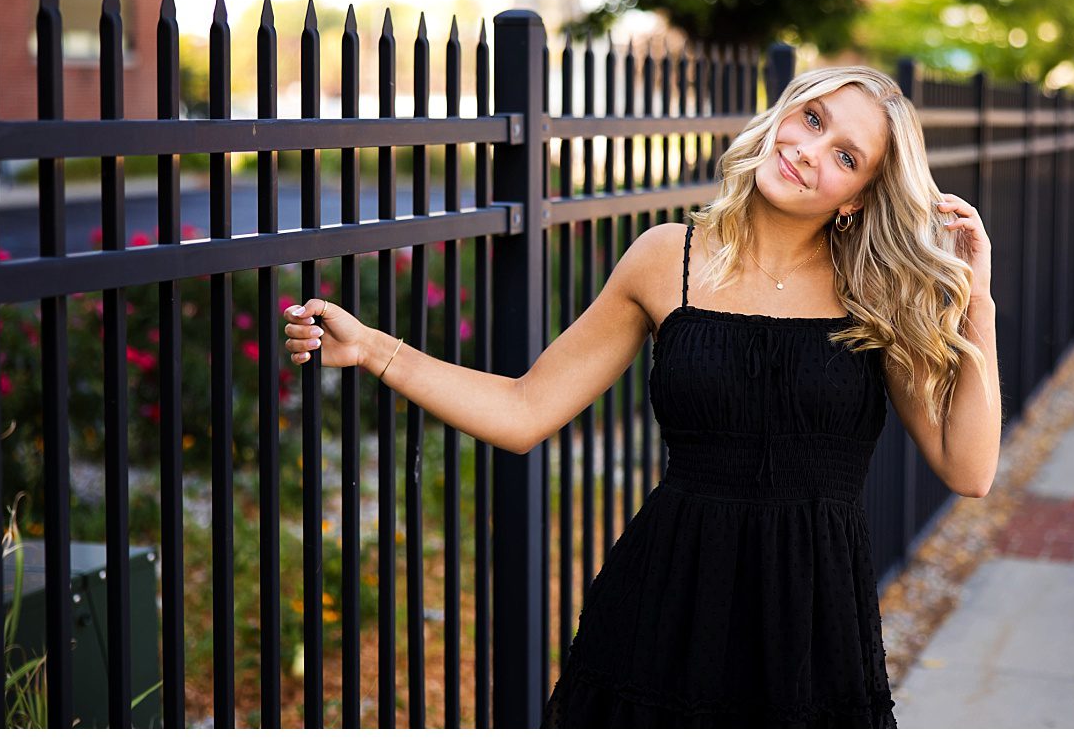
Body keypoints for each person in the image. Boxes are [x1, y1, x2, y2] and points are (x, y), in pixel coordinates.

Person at [281, 65, 1002, 726]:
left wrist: (979, 305)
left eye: (847, 155)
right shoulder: (667, 259)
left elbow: (968, 470)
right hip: (665, 612)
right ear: (782, 117)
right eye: (813, 120)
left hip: (813, 631)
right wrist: (375, 350)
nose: (813, 151)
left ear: (861, 195)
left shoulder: (877, 296)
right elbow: (525, 411)